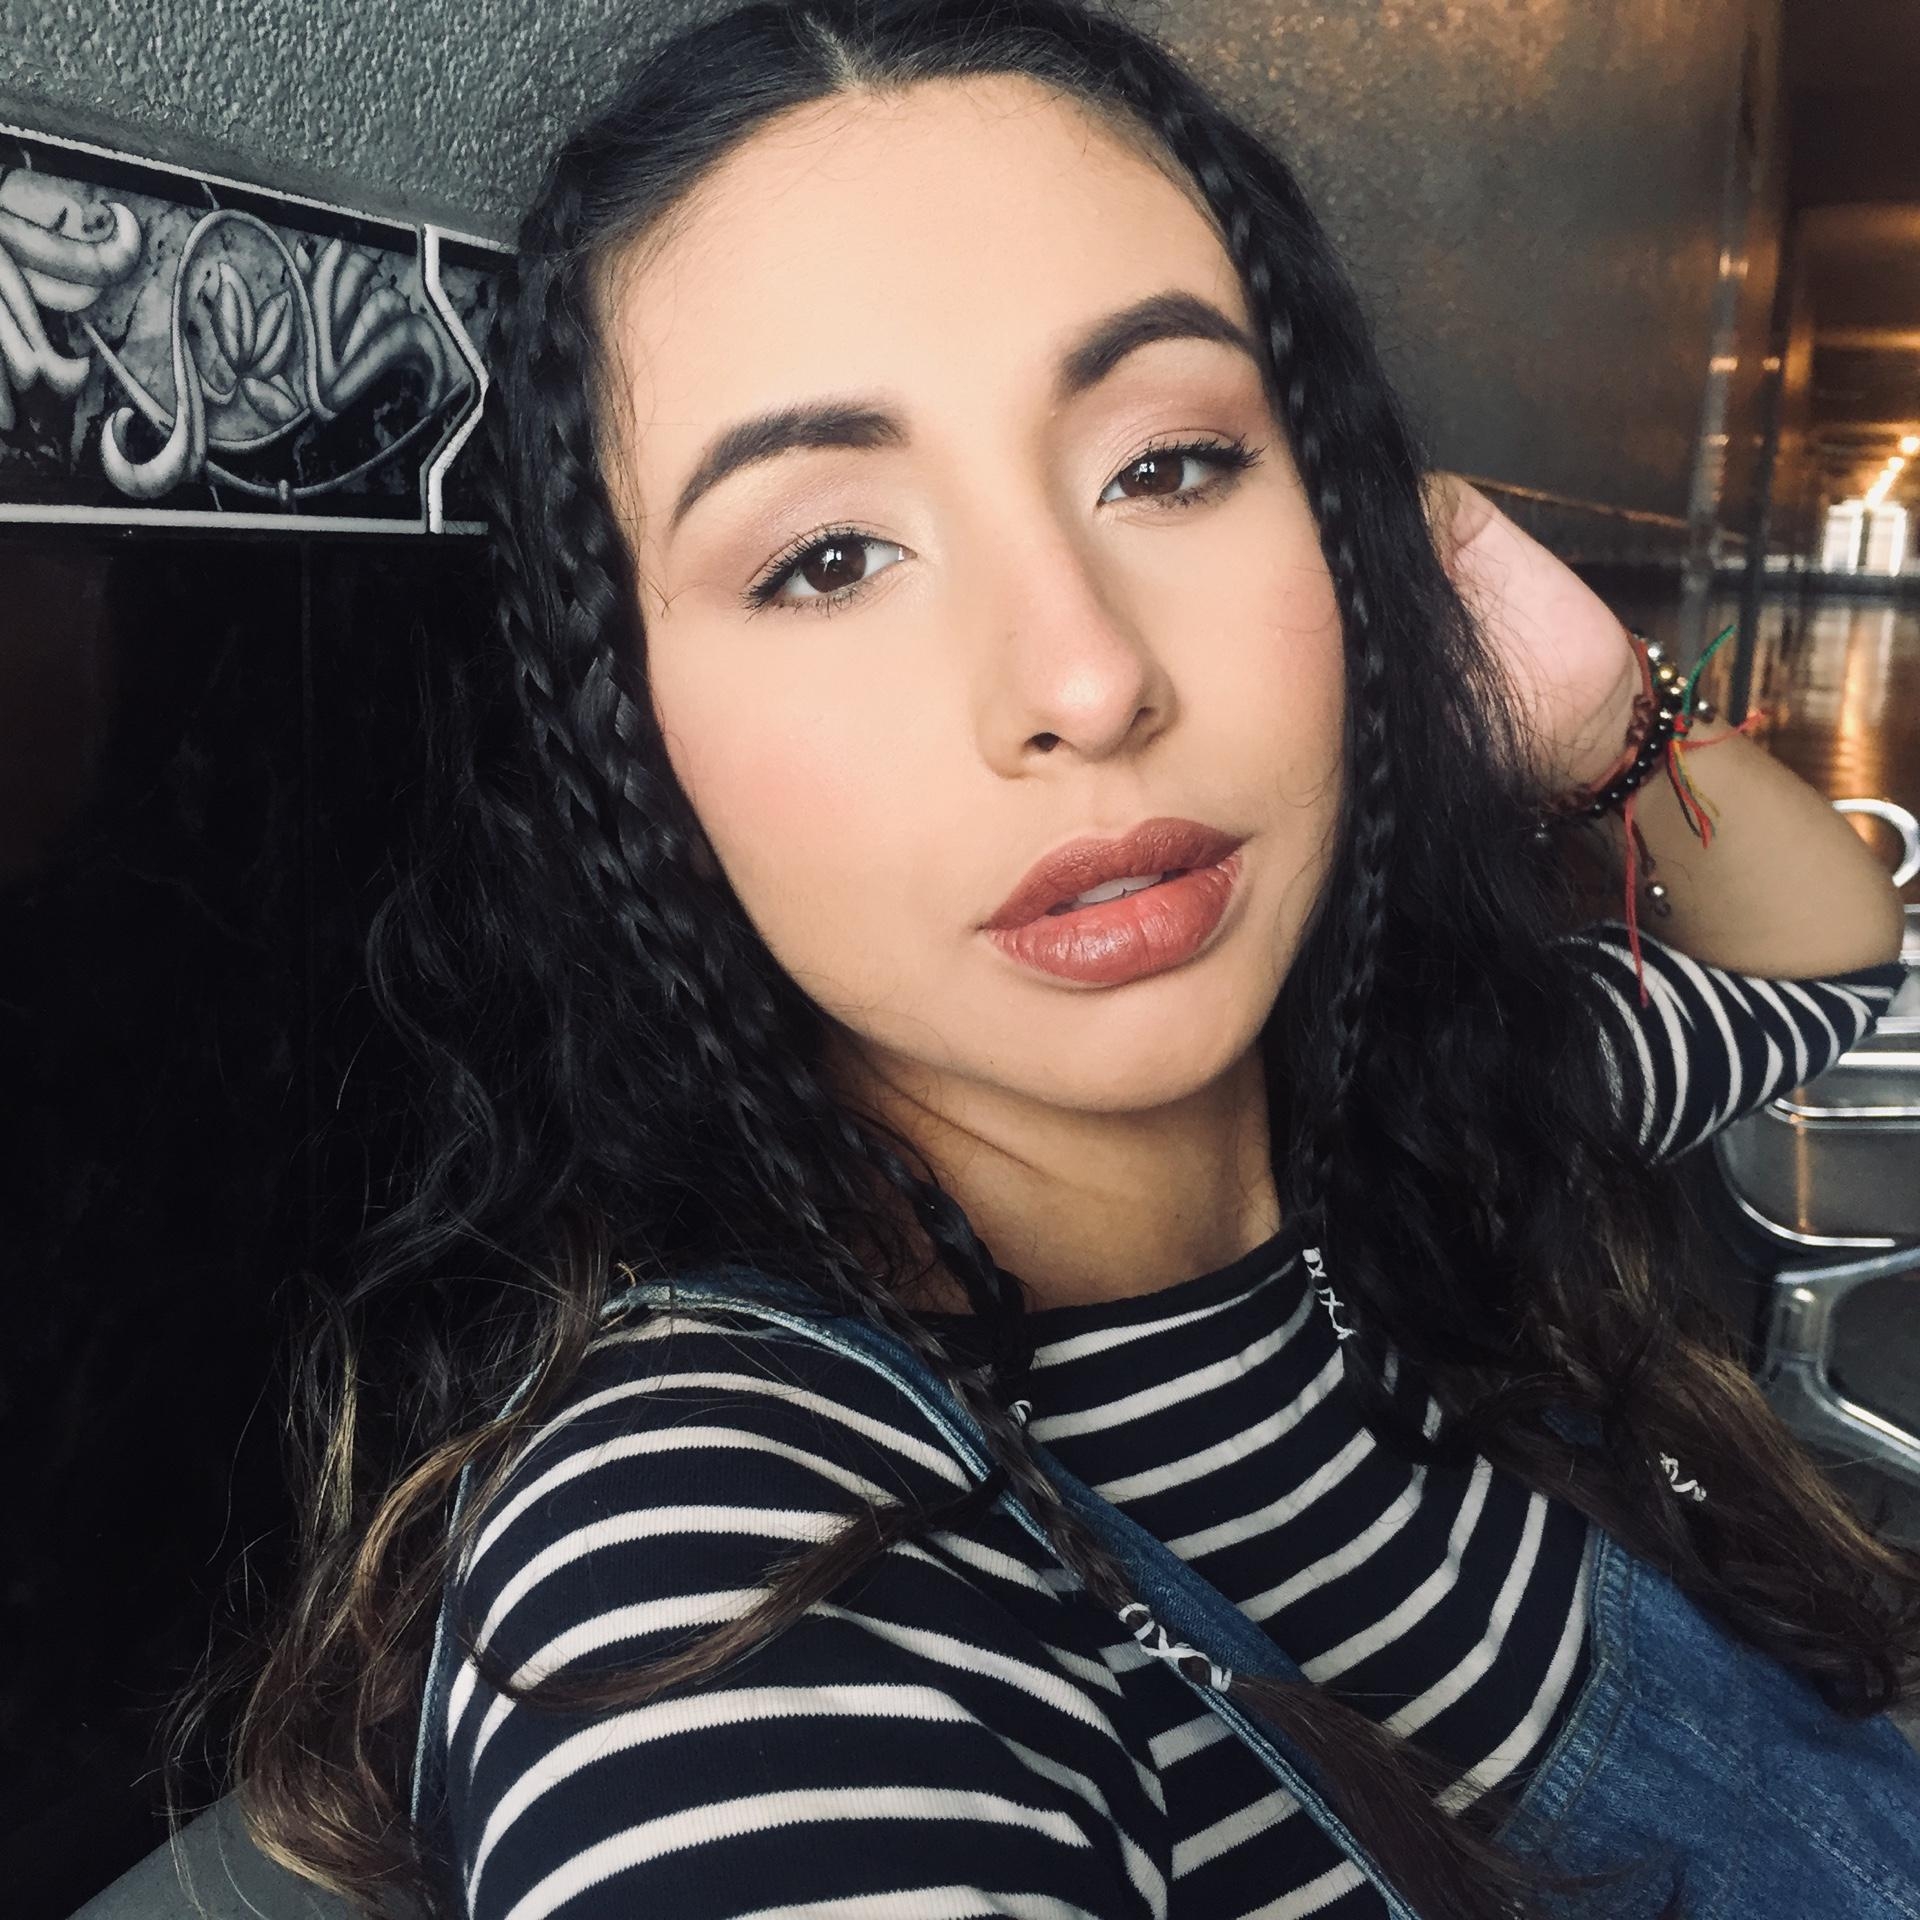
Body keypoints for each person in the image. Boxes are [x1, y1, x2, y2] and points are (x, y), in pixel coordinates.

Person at [218, 3, 1920, 1916]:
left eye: (1172, 465)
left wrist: (1602, 713)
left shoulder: (1423, 1127)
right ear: (636, 740)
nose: (1088, 679)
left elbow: (1829, 959)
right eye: (826, 560)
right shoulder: (717, 1564)